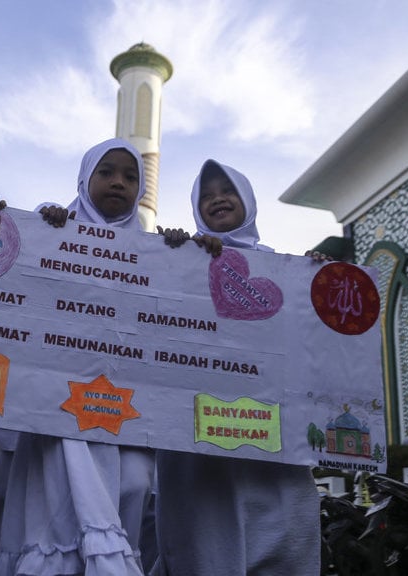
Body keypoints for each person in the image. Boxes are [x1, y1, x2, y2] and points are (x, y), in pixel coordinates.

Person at [150, 160, 322, 576]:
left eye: (226, 191)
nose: (217, 200)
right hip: (201, 448)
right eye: (206, 196)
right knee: (207, 543)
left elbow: (313, 344)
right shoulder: (180, 261)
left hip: (270, 442)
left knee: (280, 535)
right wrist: (168, 255)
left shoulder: (283, 271)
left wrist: (319, 280)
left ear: (247, 200)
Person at [0, 138, 151, 575]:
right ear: (83, 180)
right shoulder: (52, 229)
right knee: (57, 497)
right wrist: (38, 227)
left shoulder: (156, 256)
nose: (118, 182)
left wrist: (182, 252)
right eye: (107, 172)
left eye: (130, 176)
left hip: (124, 404)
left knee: (134, 485)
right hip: (58, 396)